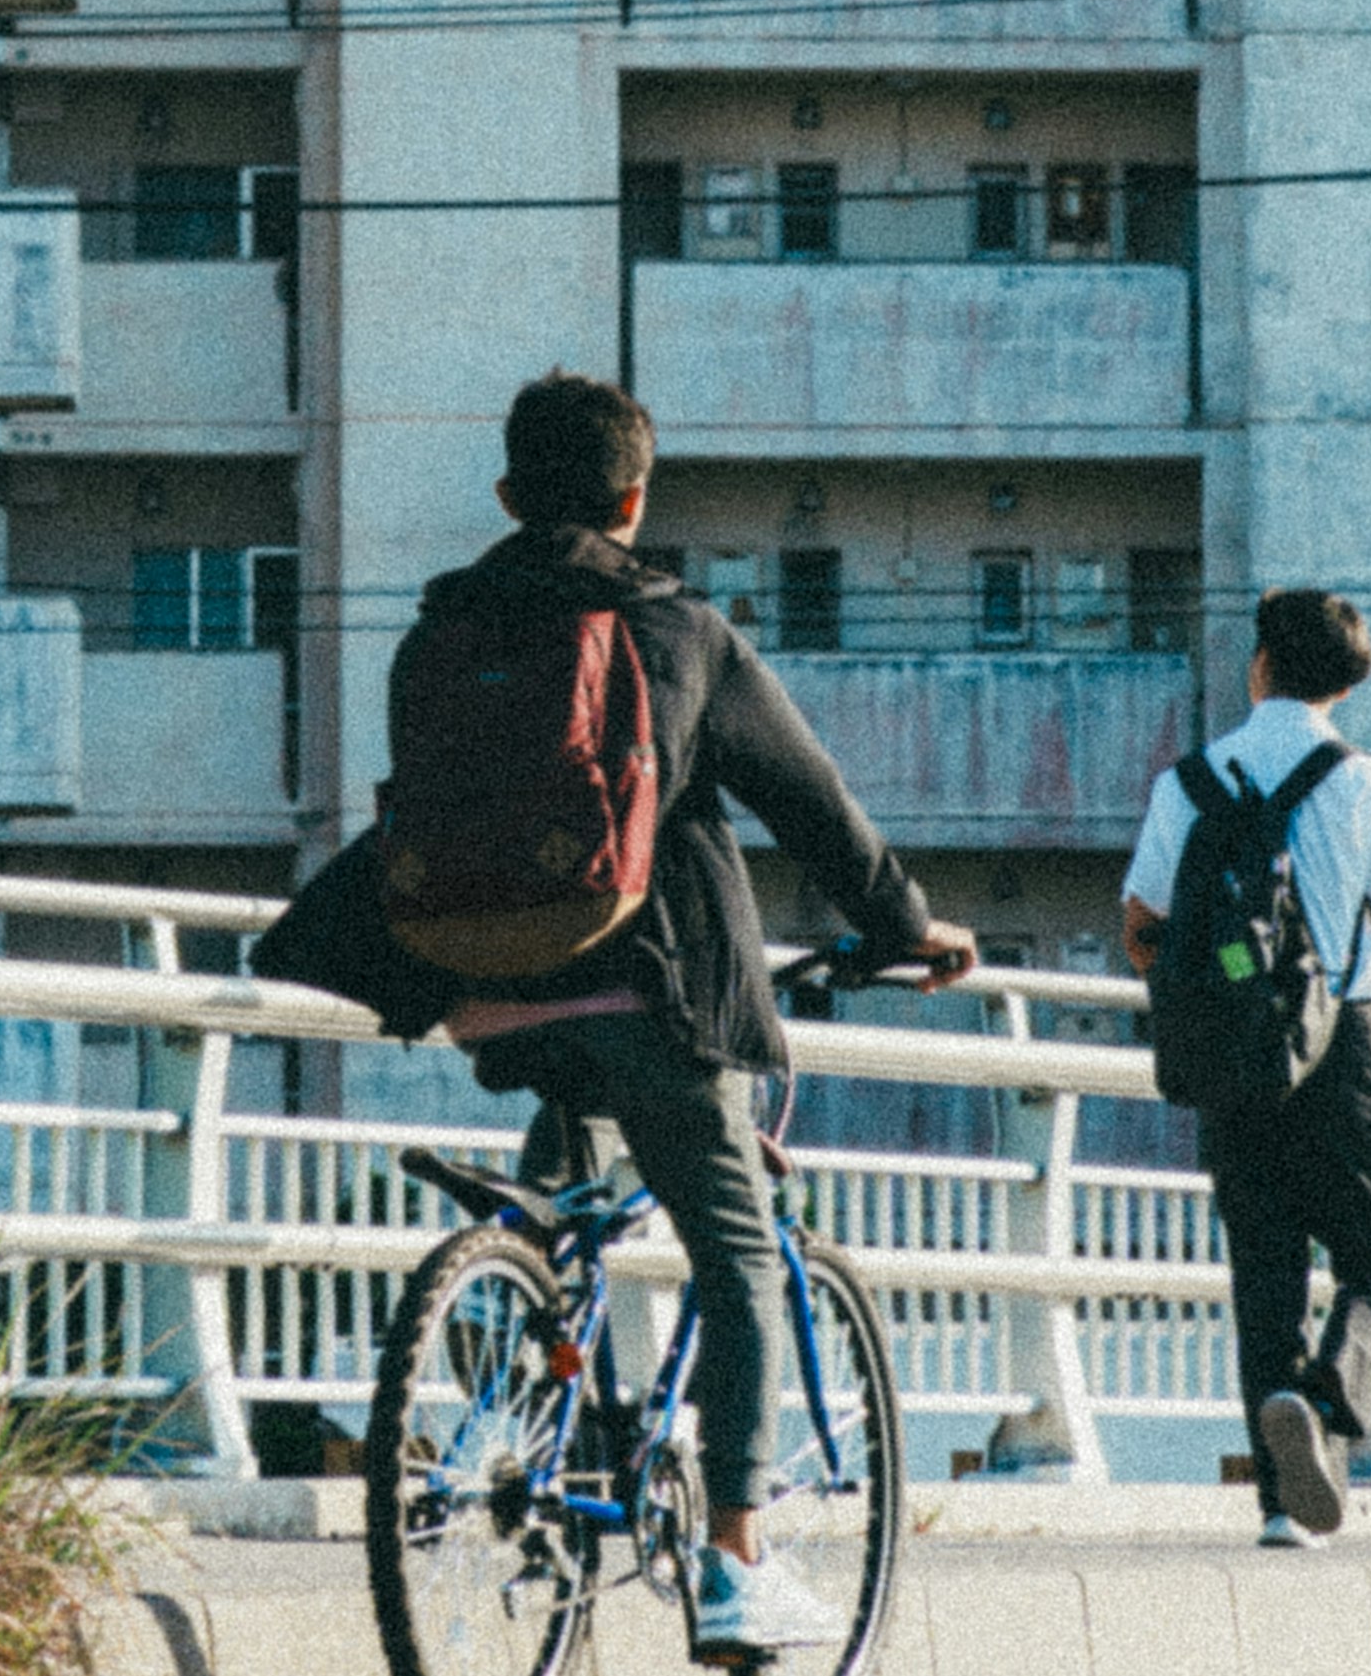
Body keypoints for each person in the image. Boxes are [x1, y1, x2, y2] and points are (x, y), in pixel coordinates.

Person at [403, 373, 974, 1663]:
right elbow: (816, 808)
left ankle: (515, 1432)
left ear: (505, 495)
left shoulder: (443, 623)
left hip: (486, 995)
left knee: (556, 1225)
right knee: (745, 1258)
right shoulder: (681, 632)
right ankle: (733, 1562)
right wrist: (909, 927)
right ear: (635, 497)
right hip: (655, 994)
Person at [1119, 583, 1371, 1545]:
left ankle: (1283, 1508)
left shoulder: (1186, 781)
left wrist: (1225, 989)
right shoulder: (1367, 783)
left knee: (1264, 1273)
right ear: (1342, 687)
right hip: (1344, 1048)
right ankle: (1324, 1402)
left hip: (1232, 1056)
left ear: (1261, 664)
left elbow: (1142, 929)